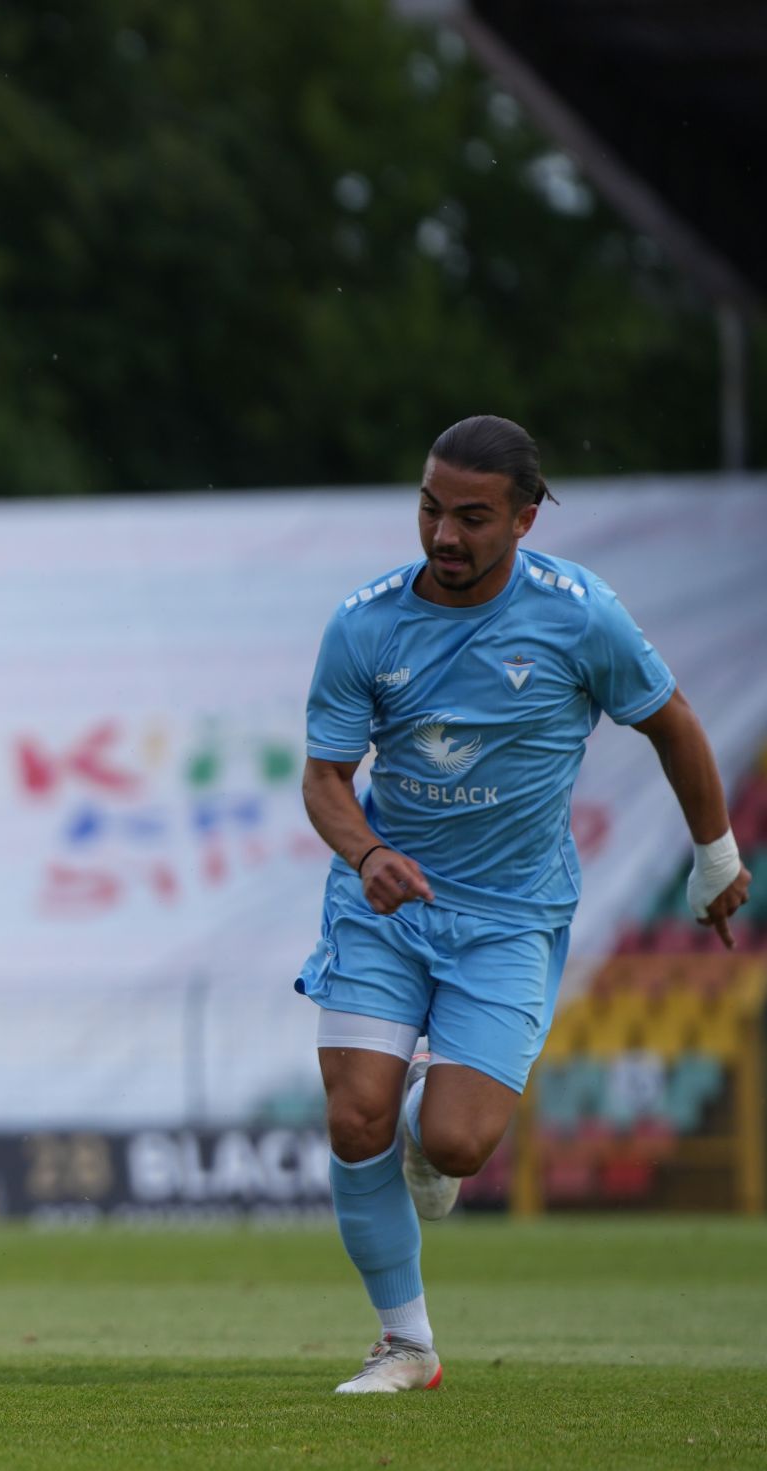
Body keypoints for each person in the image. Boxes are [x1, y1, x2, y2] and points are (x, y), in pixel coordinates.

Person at [295, 416, 749, 1394]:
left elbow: (673, 725)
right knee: (352, 1113)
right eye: (429, 508)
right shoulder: (365, 623)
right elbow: (325, 777)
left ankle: (429, 1121)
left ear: (525, 517)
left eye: (471, 516)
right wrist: (366, 851)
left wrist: (715, 855)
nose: (443, 535)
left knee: (452, 1139)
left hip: (511, 914)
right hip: (383, 898)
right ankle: (405, 1343)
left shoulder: (581, 615)